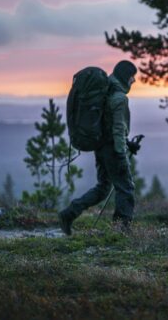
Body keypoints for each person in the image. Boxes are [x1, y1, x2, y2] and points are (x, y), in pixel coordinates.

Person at [59, 60, 138, 235]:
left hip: (100, 146)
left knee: (103, 188)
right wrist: (121, 153)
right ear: (126, 76)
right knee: (126, 188)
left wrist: (128, 143)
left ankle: (69, 213)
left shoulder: (105, 91)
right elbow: (118, 129)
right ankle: (122, 229)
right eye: (132, 77)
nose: (134, 81)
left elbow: (107, 125)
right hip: (112, 149)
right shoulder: (119, 98)